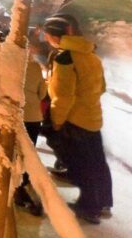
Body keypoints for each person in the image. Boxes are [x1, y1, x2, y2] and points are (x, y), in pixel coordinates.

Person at [43, 15, 112, 225]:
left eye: (47, 36)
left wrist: (56, 120)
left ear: (54, 36)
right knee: (97, 161)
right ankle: (104, 201)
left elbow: (63, 96)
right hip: (92, 115)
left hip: (74, 120)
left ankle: (89, 207)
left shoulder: (65, 59)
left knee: (82, 164)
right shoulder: (91, 54)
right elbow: (102, 88)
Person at [15, 42, 47, 216]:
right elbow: (43, 92)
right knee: (28, 153)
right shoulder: (35, 67)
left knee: (14, 153)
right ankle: (24, 184)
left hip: (16, 116)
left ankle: (17, 187)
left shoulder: (10, 67)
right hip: (34, 117)